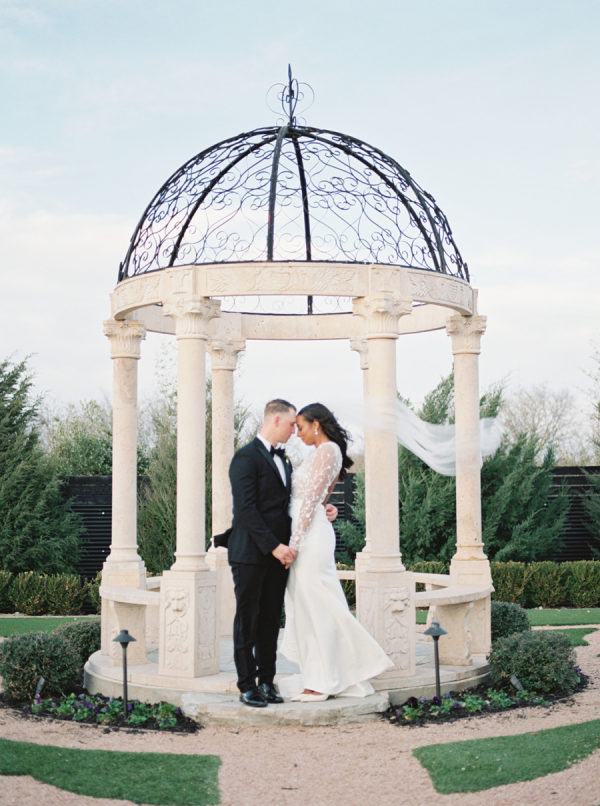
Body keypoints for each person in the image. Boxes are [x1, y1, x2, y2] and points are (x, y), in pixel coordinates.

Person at [279, 403, 393, 702]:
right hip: (307, 529)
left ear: (316, 424)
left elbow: (309, 502)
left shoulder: (328, 451)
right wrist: (325, 509)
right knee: (306, 606)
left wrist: (295, 542)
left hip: (308, 538)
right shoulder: (320, 453)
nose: (297, 434)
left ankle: (328, 676)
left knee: (320, 605)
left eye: (301, 427)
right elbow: (319, 498)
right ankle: (318, 674)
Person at [227, 399, 297, 708]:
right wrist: (275, 546)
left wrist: (324, 512)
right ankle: (247, 684)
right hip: (250, 553)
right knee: (248, 620)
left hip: (278, 556)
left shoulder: (286, 461)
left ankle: (268, 680)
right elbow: (246, 512)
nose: (295, 430)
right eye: (293, 424)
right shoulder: (244, 458)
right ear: (277, 420)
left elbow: (284, 508)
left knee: (271, 620)